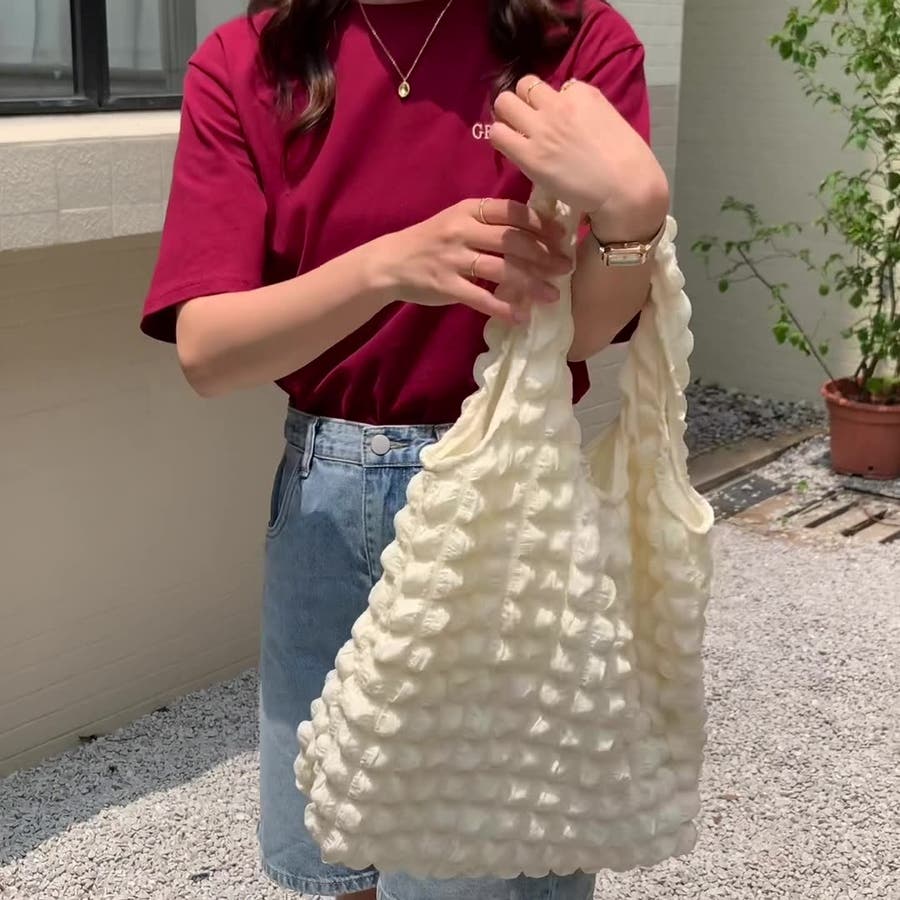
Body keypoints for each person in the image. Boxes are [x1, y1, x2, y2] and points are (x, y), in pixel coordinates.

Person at [140, 0, 668, 895]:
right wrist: (389, 266)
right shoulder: (252, 61)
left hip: (509, 497)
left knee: (489, 863)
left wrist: (635, 219)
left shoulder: (573, 41)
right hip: (325, 502)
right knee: (331, 855)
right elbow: (209, 352)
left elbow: (578, 333)